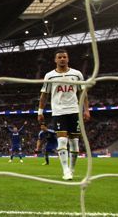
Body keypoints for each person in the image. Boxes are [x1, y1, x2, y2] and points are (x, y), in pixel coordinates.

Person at [37, 48, 90, 181]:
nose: (62, 59)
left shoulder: (77, 74)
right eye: (59, 57)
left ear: (68, 58)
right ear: (55, 60)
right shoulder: (49, 76)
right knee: (61, 140)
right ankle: (65, 170)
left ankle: (71, 169)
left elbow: (83, 93)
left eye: (64, 57)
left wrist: (86, 110)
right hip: (58, 112)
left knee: (74, 144)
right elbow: (44, 95)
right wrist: (40, 111)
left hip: (74, 111)